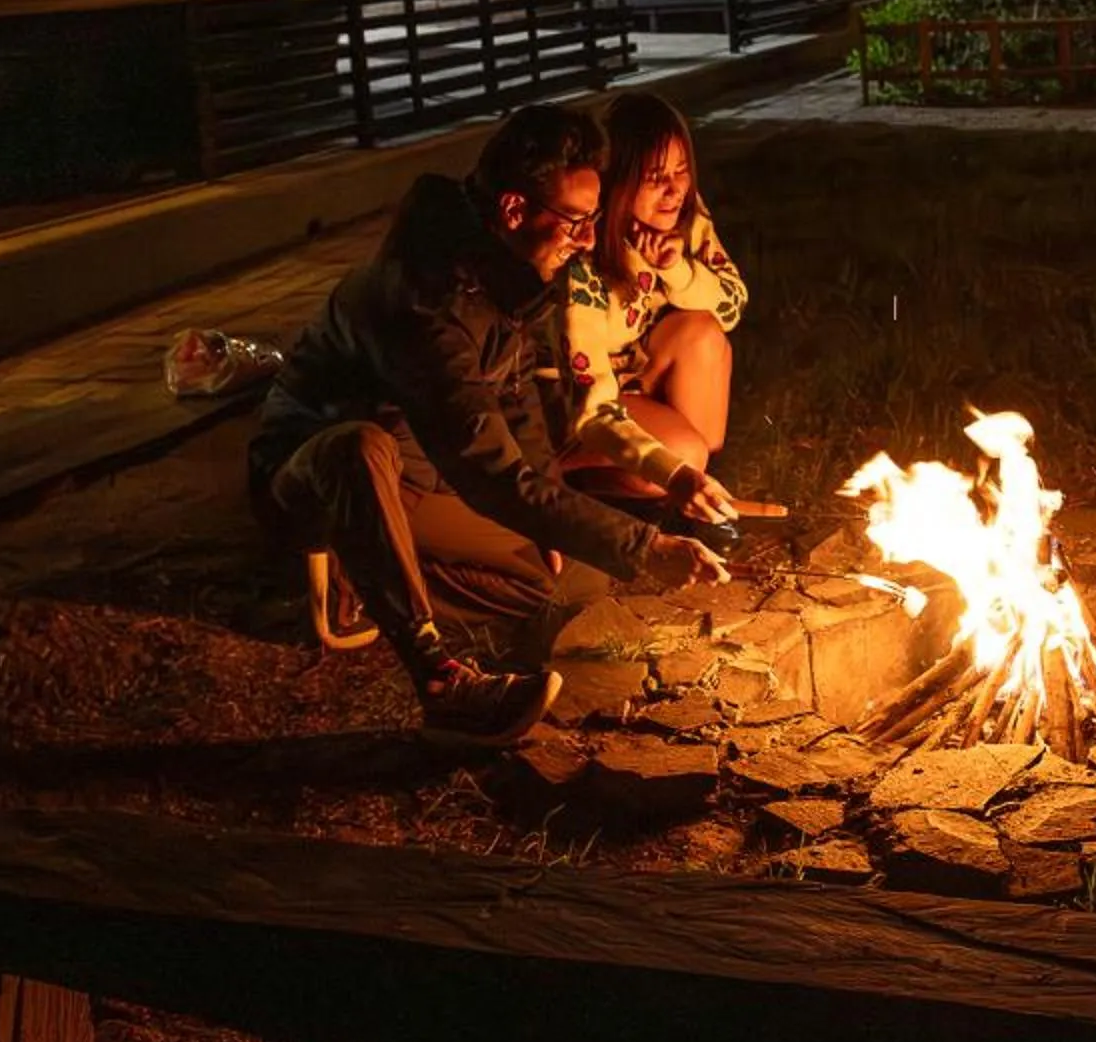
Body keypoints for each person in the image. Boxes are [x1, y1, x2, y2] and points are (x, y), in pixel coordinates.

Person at [249, 103, 731, 745]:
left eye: (592, 220)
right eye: (575, 222)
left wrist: (551, 504)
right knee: (357, 448)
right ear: (512, 210)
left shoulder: (516, 273)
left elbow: (519, 410)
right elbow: (485, 470)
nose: (587, 240)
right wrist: (645, 545)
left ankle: (365, 568)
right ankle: (442, 680)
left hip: (423, 471)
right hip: (317, 477)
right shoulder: (426, 306)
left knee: (546, 576)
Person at [553, 93, 746, 523]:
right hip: (581, 398)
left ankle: (672, 488)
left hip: (637, 376)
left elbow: (731, 306)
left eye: (681, 172)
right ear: (620, 181)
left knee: (703, 336)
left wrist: (678, 269)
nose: (674, 189)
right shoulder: (585, 253)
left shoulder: (685, 217)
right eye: (655, 177)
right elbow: (591, 399)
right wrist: (670, 466)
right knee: (684, 452)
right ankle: (568, 478)